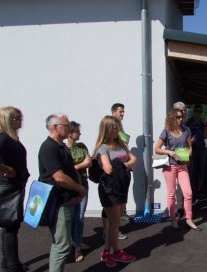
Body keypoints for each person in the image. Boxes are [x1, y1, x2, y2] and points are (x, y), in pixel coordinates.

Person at [38, 113, 87, 272]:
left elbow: (71, 170)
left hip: (68, 200)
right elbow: (59, 177)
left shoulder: (62, 146)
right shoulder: (49, 148)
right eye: (65, 126)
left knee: (63, 244)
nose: (68, 128)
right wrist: (80, 189)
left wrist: (79, 190)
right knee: (62, 245)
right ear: (55, 127)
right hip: (59, 203)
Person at [0, 106, 29, 272]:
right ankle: (13, 266)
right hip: (10, 187)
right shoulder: (4, 138)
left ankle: (8, 262)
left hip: (15, 186)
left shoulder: (11, 138)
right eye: (17, 118)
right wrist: (6, 169)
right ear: (9, 120)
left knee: (10, 225)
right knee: (11, 226)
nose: (21, 121)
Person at [92, 116, 137, 268]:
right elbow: (108, 168)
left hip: (121, 187)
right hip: (109, 189)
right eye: (115, 127)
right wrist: (125, 165)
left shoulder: (121, 144)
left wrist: (122, 165)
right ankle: (112, 251)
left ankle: (110, 251)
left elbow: (134, 160)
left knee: (114, 223)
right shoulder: (103, 148)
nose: (118, 129)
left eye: (118, 126)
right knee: (115, 222)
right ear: (107, 129)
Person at [154, 108, 201, 231]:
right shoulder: (166, 131)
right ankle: (173, 218)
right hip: (170, 166)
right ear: (172, 118)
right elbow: (157, 149)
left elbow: (190, 147)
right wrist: (169, 151)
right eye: (178, 117)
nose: (181, 119)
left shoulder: (186, 130)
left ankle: (189, 218)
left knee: (188, 193)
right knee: (172, 193)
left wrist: (188, 154)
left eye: (182, 117)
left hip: (183, 165)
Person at [101, 103, 129, 241]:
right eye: (120, 112)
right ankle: (107, 231)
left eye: (123, 112)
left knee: (119, 203)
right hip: (111, 178)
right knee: (109, 205)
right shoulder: (110, 126)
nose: (122, 114)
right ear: (113, 112)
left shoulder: (121, 128)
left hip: (122, 172)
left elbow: (124, 147)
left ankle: (113, 230)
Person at [66, 121, 92, 262]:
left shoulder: (82, 147)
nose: (80, 133)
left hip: (84, 183)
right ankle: (71, 243)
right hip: (70, 186)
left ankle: (77, 244)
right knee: (71, 216)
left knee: (80, 215)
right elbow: (66, 169)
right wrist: (82, 165)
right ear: (70, 133)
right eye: (77, 131)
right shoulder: (64, 149)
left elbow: (90, 163)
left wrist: (76, 166)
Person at [185, 104, 207, 203]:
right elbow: (185, 136)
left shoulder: (203, 123)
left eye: (200, 111)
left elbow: (206, 136)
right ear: (194, 111)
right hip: (192, 149)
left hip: (202, 149)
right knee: (192, 171)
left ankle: (199, 190)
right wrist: (191, 141)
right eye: (197, 111)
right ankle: (193, 191)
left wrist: (206, 126)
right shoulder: (189, 121)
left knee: (201, 170)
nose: (199, 113)